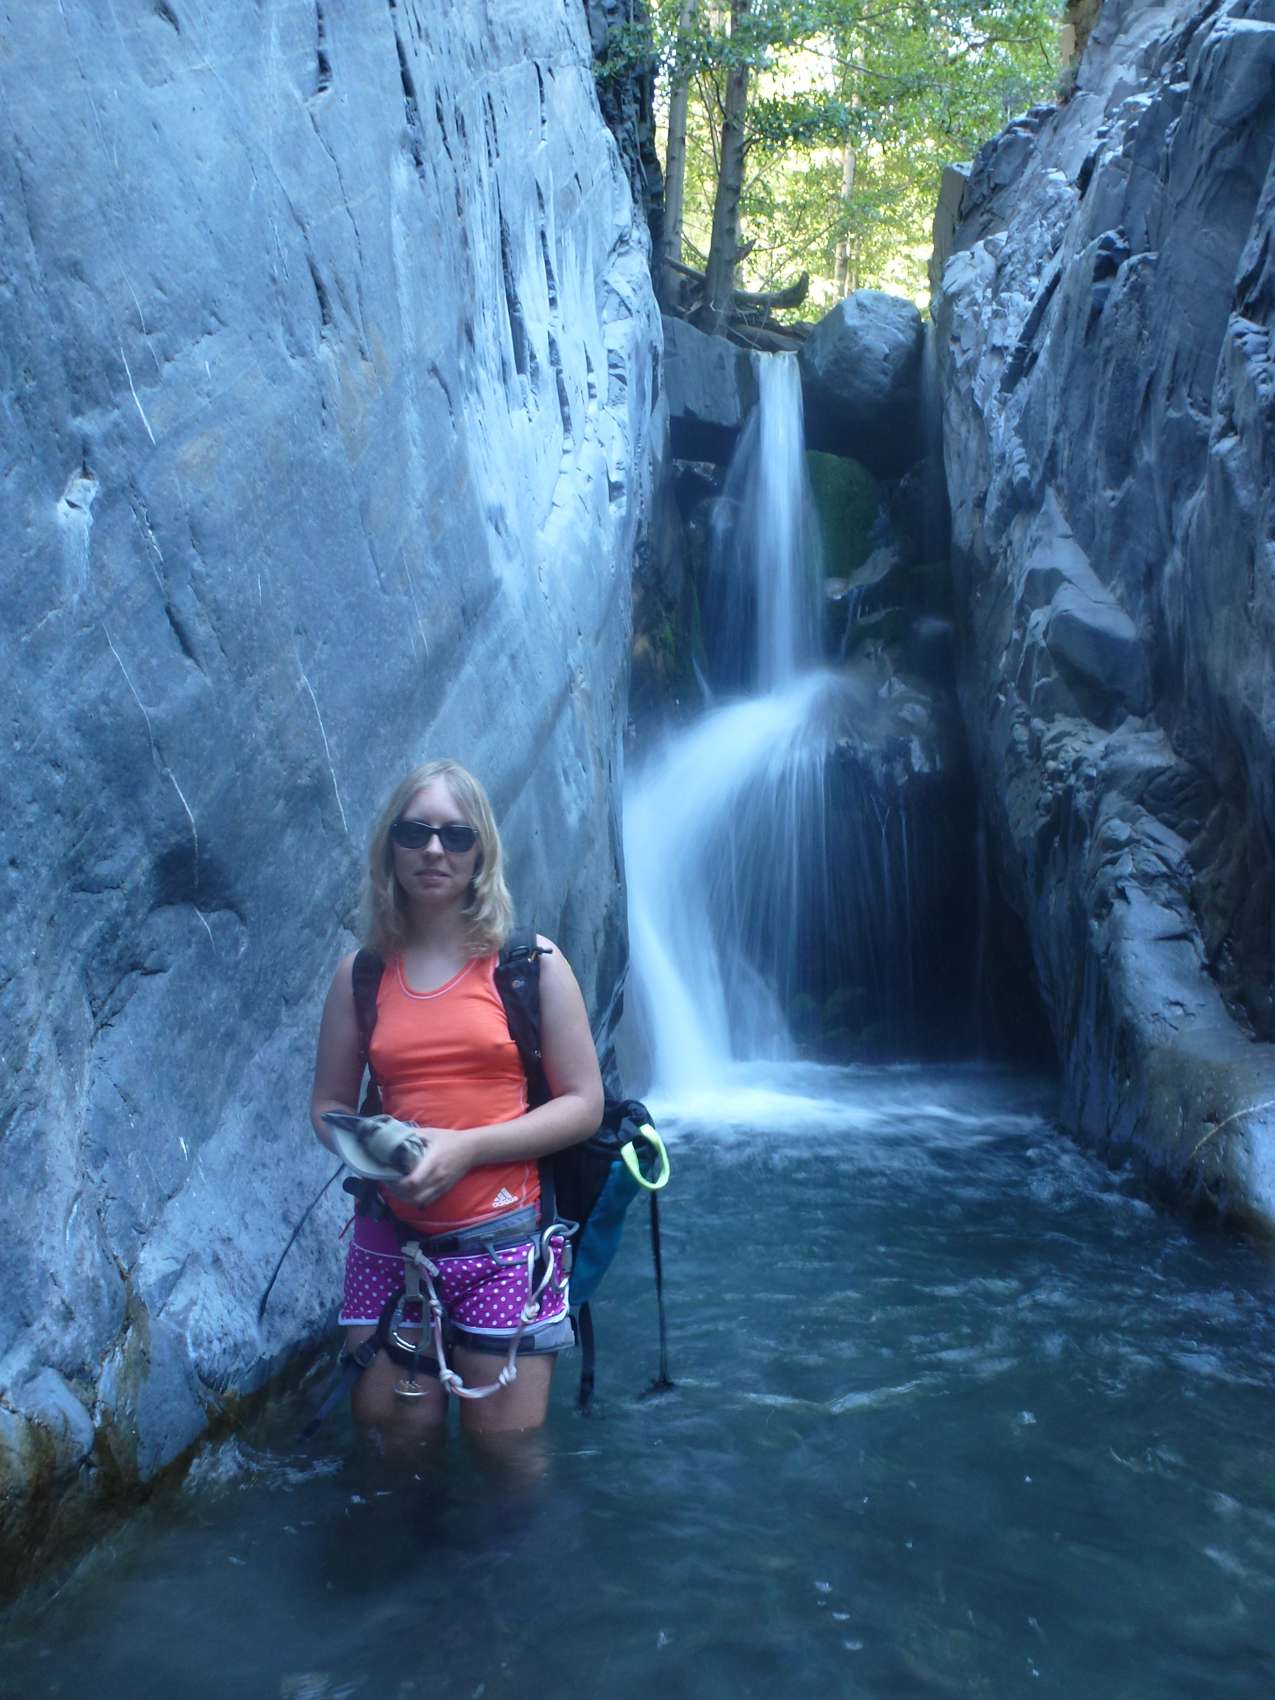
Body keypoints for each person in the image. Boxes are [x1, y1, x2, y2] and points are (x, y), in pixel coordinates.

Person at [309, 759, 603, 1456]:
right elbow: (327, 1105)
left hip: (504, 1247)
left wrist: (466, 1148)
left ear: (481, 851)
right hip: (391, 1243)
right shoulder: (362, 974)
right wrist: (375, 1150)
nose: (434, 850)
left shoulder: (530, 965)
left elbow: (585, 1104)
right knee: (391, 1445)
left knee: (504, 1458)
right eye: (414, 833)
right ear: (390, 847)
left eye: (455, 835)